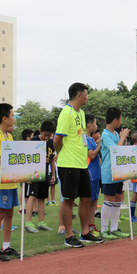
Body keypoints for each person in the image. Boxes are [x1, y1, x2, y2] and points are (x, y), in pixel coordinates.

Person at [54, 82, 103, 247]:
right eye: (86, 94)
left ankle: (85, 232)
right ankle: (69, 236)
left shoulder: (81, 113)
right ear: (79, 95)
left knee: (86, 198)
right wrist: (61, 153)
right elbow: (57, 139)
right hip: (68, 164)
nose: (87, 97)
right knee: (69, 199)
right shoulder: (66, 113)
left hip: (82, 165)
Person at [0, 103, 20, 261]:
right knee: (0, 213)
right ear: (5, 118)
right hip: (1, 181)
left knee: (10, 213)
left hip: (11, 180)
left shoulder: (9, 136)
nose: (14, 118)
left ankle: (6, 246)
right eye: (13, 115)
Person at [99, 107, 130, 240]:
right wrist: (122, 137)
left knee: (118, 199)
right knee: (109, 199)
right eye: (121, 118)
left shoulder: (116, 134)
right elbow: (115, 150)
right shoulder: (105, 134)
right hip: (108, 172)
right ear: (116, 120)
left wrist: (122, 138)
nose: (121, 121)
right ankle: (104, 229)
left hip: (118, 172)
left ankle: (114, 228)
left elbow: (121, 150)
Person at [25, 121, 56, 233]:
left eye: (49, 136)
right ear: (40, 131)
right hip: (34, 173)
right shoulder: (33, 141)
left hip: (45, 173)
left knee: (42, 198)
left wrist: (53, 174)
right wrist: (28, 175)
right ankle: (28, 223)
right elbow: (27, 158)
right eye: (45, 135)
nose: (47, 138)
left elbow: (52, 159)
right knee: (32, 197)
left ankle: (41, 222)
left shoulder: (51, 143)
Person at [85, 114, 102, 235]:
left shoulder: (91, 139)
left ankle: (91, 226)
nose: (96, 126)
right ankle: (86, 228)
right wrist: (100, 144)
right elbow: (91, 155)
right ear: (89, 125)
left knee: (93, 202)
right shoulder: (85, 139)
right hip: (90, 174)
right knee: (88, 202)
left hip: (95, 174)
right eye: (95, 123)